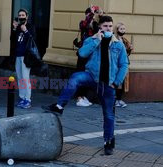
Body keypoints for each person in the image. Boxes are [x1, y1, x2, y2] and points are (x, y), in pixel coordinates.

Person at [43, 16, 129, 155]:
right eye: (105, 26)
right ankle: (59, 106)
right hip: (91, 77)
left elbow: (124, 64)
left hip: (108, 83)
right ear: (100, 27)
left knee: (109, 115)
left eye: (110, 26)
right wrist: (96, 41)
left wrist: (117, 82)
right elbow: (82, 53)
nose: (108, 28)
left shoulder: (118, 44)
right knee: (75, 78)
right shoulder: (92, 40)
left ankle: (108, 142)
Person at [75, 6, 102, 107]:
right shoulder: (83, 23)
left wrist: (100, 15)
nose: (92, 16)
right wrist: (91, 14)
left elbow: (101, 30)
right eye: (90, 14)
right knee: (81, 73)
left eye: (93, 14)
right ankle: (79, 97)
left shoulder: (96, 25)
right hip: (83, 52)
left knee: (88, 74)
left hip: (92, 53)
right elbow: (85, 24)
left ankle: (84, 96)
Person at [11, 9, 35, 109]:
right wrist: (14, 29)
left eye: (23, 15)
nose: (21, 17)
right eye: (19, 15)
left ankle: (27, 99)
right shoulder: (18, 28)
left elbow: (33, 39)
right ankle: (22, 98)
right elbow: (12, 40)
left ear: (27, 16)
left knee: (25, 78)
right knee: (20, 78)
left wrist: (25, 31)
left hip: (26, 57)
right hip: (18, 55)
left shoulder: (30, 27)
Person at [114, 22, 133, 108]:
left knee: (123, 82)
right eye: (121, 29)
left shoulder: (124, 40)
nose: (123, 30)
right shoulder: (114, 39)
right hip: (117, 63)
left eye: (124, 29)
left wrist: (130, 49)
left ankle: (119, 99)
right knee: (117, 82)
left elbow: (127, 53)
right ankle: (114, 100)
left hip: (124, 63)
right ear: (117, 30)